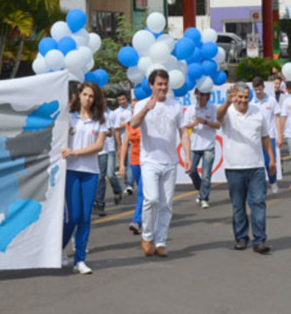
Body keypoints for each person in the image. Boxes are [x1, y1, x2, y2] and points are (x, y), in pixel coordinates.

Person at [129, 69, 191, 258]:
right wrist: (147, 108)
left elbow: (183, 132)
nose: (163, 87)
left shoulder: (176, 106)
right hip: (149, 160)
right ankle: (147, 237)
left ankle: (161, 241)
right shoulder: (141, 104)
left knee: (166, 205)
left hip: (170, 161)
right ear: (151, 85)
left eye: (165, 84)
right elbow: (133, 124)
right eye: (159, 84)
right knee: (152, 199)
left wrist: (187, 156)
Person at [216, 82, 274, 253]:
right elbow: (218, 117)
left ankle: (260, 240)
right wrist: (227, 102)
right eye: (239, 97)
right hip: (234, 167)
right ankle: (241, 238)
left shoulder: (258, 112)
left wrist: (271, 159)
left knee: (258, 203)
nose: (242, 101)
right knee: (238, 205)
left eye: (245, 98)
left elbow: (265, 137)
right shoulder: (228, 112)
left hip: (256, 166)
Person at [61, 82, 108, 274]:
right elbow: (59, 141)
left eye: (91, 96)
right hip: (71, 171)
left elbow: (98, 146)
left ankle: (80, 260)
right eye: (85, 95)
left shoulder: (101, 120)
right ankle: (59, 248)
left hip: (90, 172)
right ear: (79, 95)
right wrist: (66, 151)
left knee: (86, 218)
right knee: (73, 216)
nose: (88, 99)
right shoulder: (69, 118)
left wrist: (75, 152)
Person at [186, 89, 220, 209]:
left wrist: (205, 122)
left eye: (202, 94)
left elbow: (218, 125)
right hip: (194, 145)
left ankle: (204, 198)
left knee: (206, 174)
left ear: (207, 96)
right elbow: (185, 126)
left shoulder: (213, 108)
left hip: (208, 145)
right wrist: (194, 123)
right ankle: (201, 190)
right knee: (191, 170)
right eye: (197, 94)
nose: (199, 97)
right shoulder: (190, 109)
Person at [94, 92, 123, 217]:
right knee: (97, 178)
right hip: (92, 151)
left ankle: (102, 202)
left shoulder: (106, 116)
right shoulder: (88, 115)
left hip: (106, 149)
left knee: (108, 175)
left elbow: (112, 132)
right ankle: (97, 203)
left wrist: (120, 146)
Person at [251, 77, 280, 193]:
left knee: (270, 163)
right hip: (256, 138)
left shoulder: (272, 101)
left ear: (263, 87)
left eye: (259, 89)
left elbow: (277, 117)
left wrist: (279, 135)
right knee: (259, 164)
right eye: (255, 89)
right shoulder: (251, 103)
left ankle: (273, 181)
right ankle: (261, 187)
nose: (258, 91)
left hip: (270, 136)